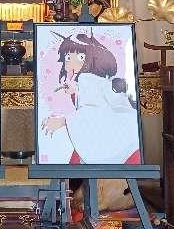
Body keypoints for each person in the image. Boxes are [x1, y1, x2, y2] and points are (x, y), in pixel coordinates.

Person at [41, 31, 140, 164]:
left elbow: (93, 111)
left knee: (77, 160)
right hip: (125, 135)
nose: (69, 62)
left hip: (114, 138)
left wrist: (64, 121)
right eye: (67, 57)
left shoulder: (87, 79)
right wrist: (76, 91)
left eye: (80, 56)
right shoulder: (94, 80)